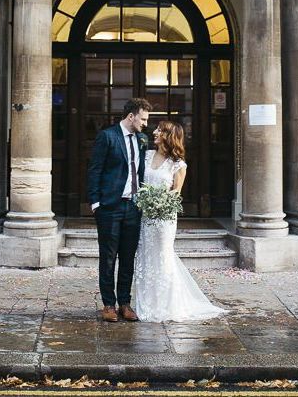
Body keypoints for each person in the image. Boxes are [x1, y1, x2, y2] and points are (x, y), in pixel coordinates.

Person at [134, 120, 227, 322]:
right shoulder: (147, 155)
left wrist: (160, 204)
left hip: (164, 218)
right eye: (157, 129)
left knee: (163, 257)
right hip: (145, 216)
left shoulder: (178, 164)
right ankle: (147, 305)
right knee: (146, 257)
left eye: (160, 130)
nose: (155, 132)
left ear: (169, 136)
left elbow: (176, 193)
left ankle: (167, 305)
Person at [87, 98, 151, 322]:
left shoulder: (142, 139)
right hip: (110, 207)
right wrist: (96, 203)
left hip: (133, 206)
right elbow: (95, 170)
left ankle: (125, 303)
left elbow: (142, 171)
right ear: (131, 116)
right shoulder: (108, 136)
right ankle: (108, 305)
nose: (145, 123)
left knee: (127, 258)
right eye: (142, 119)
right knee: (108, 258)